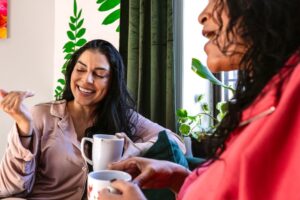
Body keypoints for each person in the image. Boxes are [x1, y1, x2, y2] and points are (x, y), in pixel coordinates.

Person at [99, 0, 300, 199]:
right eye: (80, 69)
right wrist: (181, 180)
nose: (202, 15)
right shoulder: (263, 101)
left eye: (99, 73)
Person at [0, 39, 185, 199]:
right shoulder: (41, 116)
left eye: (99, 74)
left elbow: (176, 143)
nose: (86, 79)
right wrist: (24, 127)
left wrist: (135, 149)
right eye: (80, 69)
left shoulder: (124, 117)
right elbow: (10, 188)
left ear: (112, 82)